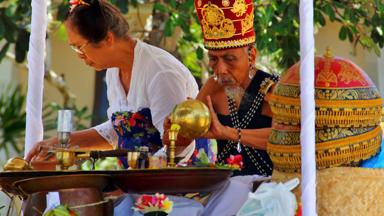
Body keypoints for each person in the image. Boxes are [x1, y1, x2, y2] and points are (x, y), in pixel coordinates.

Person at [25, 0, 198, 167]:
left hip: (179, 185)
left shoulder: (161, 73)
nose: (79, 55)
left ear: (108, 38)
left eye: (79, 46)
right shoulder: (113, 72)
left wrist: (132, 181)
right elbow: (120, 129)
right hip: (139, 183)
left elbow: (179, 146)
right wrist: (61, 142)